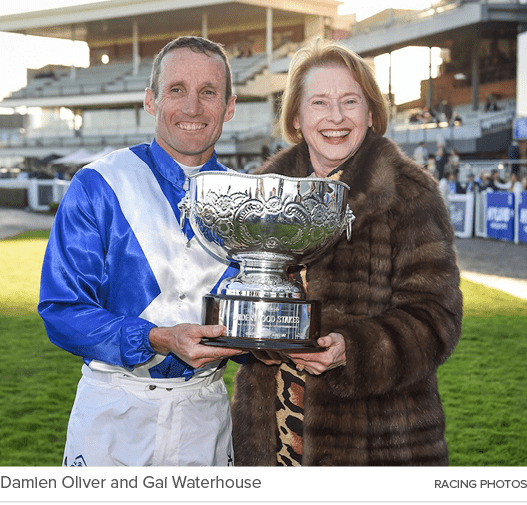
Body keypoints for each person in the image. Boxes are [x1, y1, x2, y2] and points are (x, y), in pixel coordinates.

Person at [231, 38, 462, 467]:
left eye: (350, 101)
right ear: (297, 118)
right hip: (270, 439)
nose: (335, 117)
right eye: (319, 102)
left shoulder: (410, 194)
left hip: (378, 446)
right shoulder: (261, 193)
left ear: (371, 114)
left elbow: (437, 318)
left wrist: (351, 350)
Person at [38, 36, 245, 467]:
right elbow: (61, 309)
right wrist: (158, 339)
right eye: (176, 90)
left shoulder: (251, 201)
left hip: (204, 410)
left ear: (229, 107)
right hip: (113, 409)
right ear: (150, 100)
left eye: (208, 92)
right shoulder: (99, 183)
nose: (192, 108)